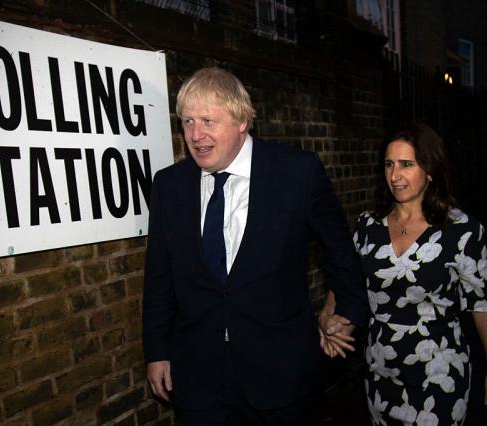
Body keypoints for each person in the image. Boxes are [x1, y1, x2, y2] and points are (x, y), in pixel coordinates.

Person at [142, 67, 368, 425]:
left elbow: (340, 252)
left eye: (207, 121)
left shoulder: (297, 172)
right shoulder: (169, 185)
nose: (196, 135)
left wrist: (348, 312)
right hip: (199, 376)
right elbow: (159, 276)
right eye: (187, 122)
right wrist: (156, 351)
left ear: (242, 121)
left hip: (280, 374)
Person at [321, 124, 487, 425]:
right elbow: (348, 283)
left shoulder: (462, 231)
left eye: (407, 164)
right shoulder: (368, 226)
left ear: (430, 170)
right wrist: (333, 320)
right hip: (381, 368)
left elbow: (482, 304)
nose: (395, 175)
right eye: (389, 164)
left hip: (439, 370)